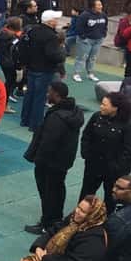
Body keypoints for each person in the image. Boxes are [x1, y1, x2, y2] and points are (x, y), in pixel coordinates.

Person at [24, 81, 83, 234]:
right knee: (57, 190)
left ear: (56, 94)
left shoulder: (57, 117)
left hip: (50, 162)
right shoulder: (73, 111)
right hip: (62, 162)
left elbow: (48, 142)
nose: (47, 93)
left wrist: (38, 159)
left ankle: (47, 223)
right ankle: (54, 220)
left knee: (49, 192)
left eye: (49, 91)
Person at [79, 92, 131, 214]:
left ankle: (108, 224)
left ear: (115, 108)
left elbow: (128, 151)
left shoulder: (127, 125)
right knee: (86, 194)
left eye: (104, 105)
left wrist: (116, 167)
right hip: (93, 166)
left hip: (113, 172)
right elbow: (86, 135)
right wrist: (85, 153)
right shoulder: (97, 117)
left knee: (111, 199)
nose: (101, 107)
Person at [19, 10, 67, 133]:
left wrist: (25, 63)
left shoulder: (33, 31)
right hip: (44, 70)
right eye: (55, 19)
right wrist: (62, 54)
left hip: (31, 68)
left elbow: (24, 47)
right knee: (40, 98)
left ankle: (25, 119)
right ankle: (35, 125)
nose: (57, 21)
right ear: (50, 21)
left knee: (30, 94)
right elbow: (52, 55)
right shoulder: (51, 36)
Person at [103, 175, 131, 261]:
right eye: (114, 185)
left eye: (119, 188)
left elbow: (106, 248)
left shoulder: (119, 220)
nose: (113, 189)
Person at [72, 0, 107, 82]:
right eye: (98, 5)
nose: (101, 6)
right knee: (82, 57)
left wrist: (103, 34)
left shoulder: (103, 15)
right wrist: (84, 37)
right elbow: (79, 27)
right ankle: (76, 73)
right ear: (93, 6)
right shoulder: (85, 15)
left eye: (101, 5)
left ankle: (90, 73)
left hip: (98, 40)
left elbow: (105, 25)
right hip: (86, 40)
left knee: (92, 58)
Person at [0, 16, 23, 106]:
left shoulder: (1, 34)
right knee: (10, 82)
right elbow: (16, 52)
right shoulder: (14, 39)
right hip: (10, 63)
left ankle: (3, 100)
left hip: (3, 60)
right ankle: (4, 103)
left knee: (9, 81)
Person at [114, 3, 131, 78]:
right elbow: (124, 34)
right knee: (129, 70)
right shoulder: (124, 22)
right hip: (127, 46)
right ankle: (126, 86)